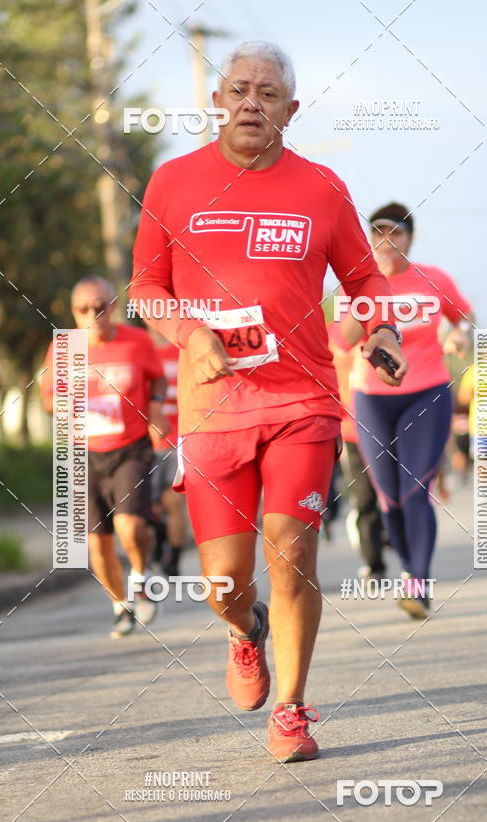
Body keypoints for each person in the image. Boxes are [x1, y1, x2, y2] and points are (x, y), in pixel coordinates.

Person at [130, 41, 407, 762]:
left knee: (293, 551)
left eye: (268, 92)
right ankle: (241, 625)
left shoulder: (321, 188)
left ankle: (291, 710)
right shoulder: (172, 184)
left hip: (302, 401)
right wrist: (190, 334)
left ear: (290, 109)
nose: (252, 101)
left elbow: (363, 281)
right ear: (218, 101)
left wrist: (381, 327)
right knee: (224, 582)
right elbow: (144, 290)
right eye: (240, 88)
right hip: (213, 407)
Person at [342, 202, 475, 620]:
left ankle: (418, 582)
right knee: (389, 499)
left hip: (427, 394)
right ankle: (406, 569)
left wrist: (457, 335)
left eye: (394, 233)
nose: (386, 241)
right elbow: (342, 339)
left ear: (409, 238)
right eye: (377, 233)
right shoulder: (357, 282)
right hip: (372, 399)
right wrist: (360, 322)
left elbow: (463, 316)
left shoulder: (433, 279)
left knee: (416, 490)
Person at [41, 276, 170, 637]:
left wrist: (156, 408)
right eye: (83, 308)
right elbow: (48, 400)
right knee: (97, 541)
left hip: (131, 448)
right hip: (83, 455)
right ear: (73, 311)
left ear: (112, 306)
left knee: (131, 526)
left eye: (100, 306)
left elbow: (157, 379)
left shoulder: (137, 341)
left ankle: (141, 577)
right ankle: (120, 606)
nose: (92, 314)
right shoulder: (64, 349)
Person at [328, 321, 387, 577]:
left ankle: (409, 558)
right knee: (364, 499)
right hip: (351, 431)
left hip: (388, 427)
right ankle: (374, 563)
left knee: (396, 495)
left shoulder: (382, 327)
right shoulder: (328, 333)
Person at [150, 334, 188, 576]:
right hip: (161, 442)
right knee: (164, 506)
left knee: (165, 503)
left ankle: (168, 555)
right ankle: (167, 552)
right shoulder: (144, 349)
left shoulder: (179, 350)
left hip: (167, 440)